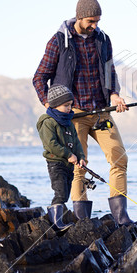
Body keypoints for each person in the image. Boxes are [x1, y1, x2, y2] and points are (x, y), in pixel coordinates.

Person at [33, 0, 132, 226]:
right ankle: (81, 220)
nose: (95, 25)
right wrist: (51, 106)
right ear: (80, 17)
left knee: (120, 158)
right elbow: (39, 78)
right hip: (72, 114)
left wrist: (115, 95)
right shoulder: (59, 41)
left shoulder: (103, 39)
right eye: (91, 21)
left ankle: (121, 217)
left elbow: (109, 72)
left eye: (98, 21)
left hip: (100, 112)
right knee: (78, 165)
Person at [37, 84, 87, 231]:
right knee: (60, 192)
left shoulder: (68, 122)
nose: (69, 108)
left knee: (65, 194)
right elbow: (50, 144)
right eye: (66, 105)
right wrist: (68, 155)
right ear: (55, 105)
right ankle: (56, 224)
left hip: (69, 165)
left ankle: (59, 220)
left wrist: (81, 157)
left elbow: (76, 142)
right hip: (56, 164)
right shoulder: (47, 122)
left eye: (71, 105)